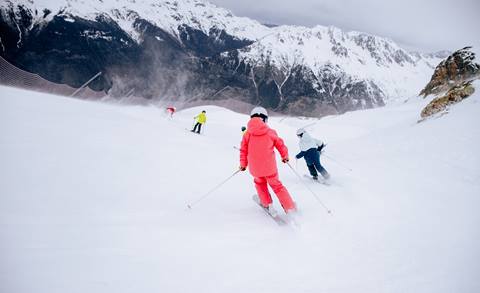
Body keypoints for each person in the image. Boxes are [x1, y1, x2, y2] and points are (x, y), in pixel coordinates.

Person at [239, 107, 296, 214]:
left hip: (255, 169)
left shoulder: (247, 134)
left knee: (260, 185)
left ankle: (266, 204)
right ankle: (289, 207)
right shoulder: (270, 132)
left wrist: (243, 164)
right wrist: (285, 156)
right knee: (277, 186)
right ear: (264, 119)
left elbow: (243, 150)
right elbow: (280, 145)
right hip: (270, 168)